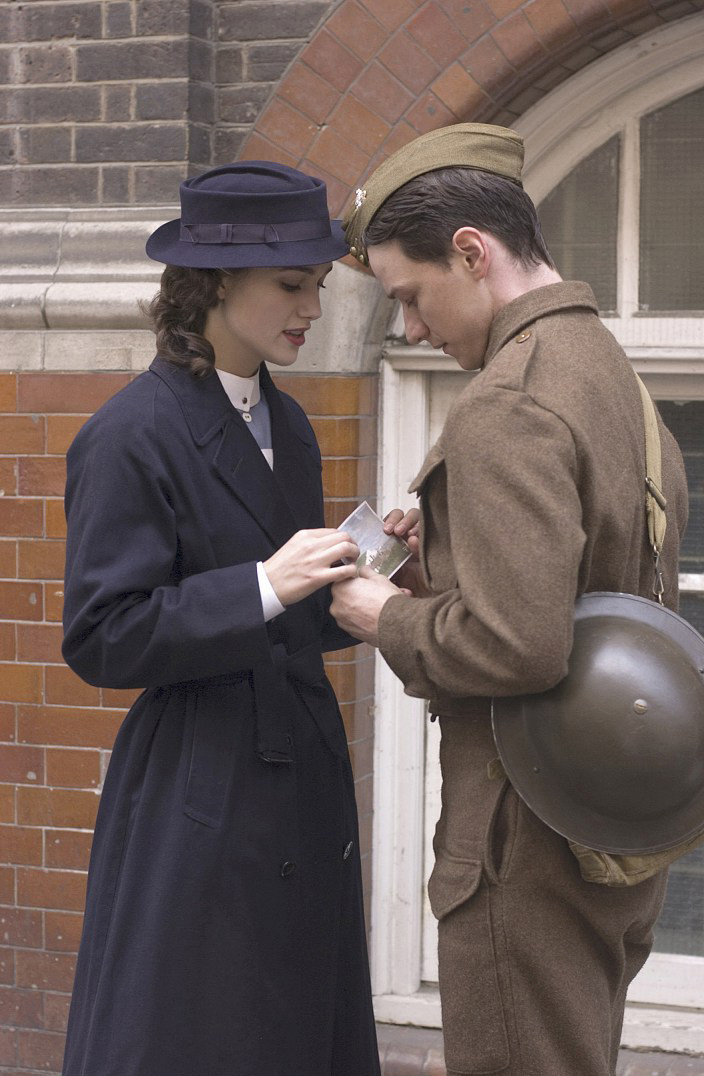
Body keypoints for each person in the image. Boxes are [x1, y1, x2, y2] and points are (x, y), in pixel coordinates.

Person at [330, 124, 689, 1076]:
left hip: (522, 839)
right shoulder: (607, 372)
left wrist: (378, 613)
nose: (412, 329)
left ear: (471, 252)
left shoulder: (509, 402)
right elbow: (588, 592)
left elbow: (519, 645)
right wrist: (442, 578)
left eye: (409, 296)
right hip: (604, 824)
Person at [60, 161, 383, 1076]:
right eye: (291, 285)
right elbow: (102, 634)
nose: (312, 308)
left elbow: (288, 622)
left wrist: (366, 569)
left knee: (296, 1026)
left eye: (317, 285)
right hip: (198, 787)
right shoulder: (130, 433)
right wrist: (263, 584)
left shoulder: (291, 425)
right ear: (213, 283)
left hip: (301, 772)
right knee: (202, 1030)